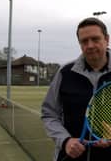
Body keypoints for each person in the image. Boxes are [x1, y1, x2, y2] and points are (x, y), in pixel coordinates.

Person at [41, 17, 111, 161]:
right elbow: (49, 114)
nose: (90, 45)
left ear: (107, 39)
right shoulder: (65, 72)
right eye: (84, 41)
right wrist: (65, 141)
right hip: (70, 156)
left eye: (95, 39)